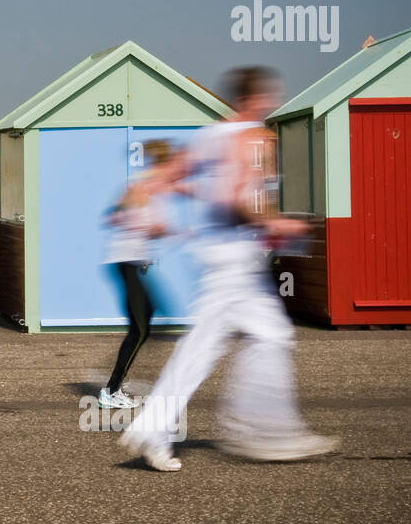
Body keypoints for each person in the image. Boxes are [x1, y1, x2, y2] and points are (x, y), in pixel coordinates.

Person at [120, 67, 338, 471]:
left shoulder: (212, 136)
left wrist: (166, 215)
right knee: (220, 346)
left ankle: (252, 428)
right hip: (235, 261)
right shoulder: (253, 138)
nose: (272, 102)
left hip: (222, 259)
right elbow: (237, 197)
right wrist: (274, 223)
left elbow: (167, 178)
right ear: (255, 99)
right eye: (269, 96)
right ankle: (252, 431)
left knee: (262, 337)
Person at [98, 140, 181, 409]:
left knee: (148, 319)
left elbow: (115, 215)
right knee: (141, 328)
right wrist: (157, 227)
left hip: (132, 263)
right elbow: (115, 216)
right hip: (125, 262)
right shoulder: (143, 186)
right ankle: (111, 391)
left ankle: (116, 382)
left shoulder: (151, 187)